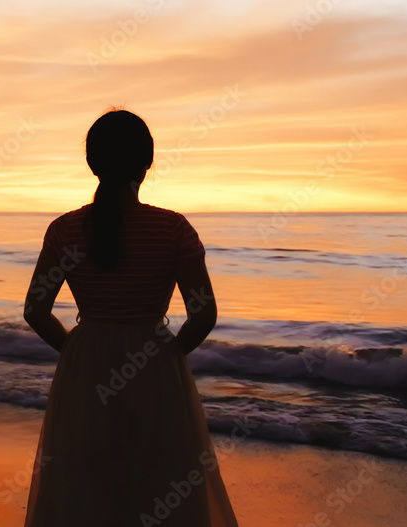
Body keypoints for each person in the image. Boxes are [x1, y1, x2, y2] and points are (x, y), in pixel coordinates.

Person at [22, 109, 239, 526]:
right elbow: (203, 313)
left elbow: (36, 310)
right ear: (147, 162)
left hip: (85, 365)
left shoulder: (65, 230)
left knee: (83, 480)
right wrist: (168, 353)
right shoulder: (173, 229)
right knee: (161, 482)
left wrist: (74, 348)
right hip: (153, 363)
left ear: (92, 164)